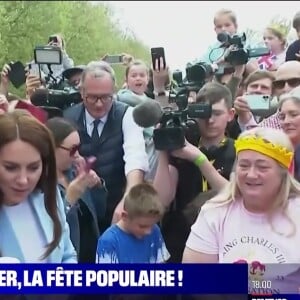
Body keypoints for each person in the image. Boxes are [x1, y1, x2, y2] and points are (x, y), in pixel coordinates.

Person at [183, 127, 300, 293]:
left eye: (262, 167)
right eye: (244, 165)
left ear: (283, 172)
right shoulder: (214, 213)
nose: (251, 175)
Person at [64, 61, 148, 231]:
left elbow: (135, 158)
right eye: (92, 97)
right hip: (81, 213)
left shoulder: (127, 115)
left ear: (114, 92)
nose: (99, 104)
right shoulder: (67, 117)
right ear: (82, 92)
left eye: (106, 97)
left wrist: (128, 199)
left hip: (118, 208)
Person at [0, 110, 77, 263]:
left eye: (33, 167)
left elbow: (67, 255)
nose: (23, 180)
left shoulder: (49, 194)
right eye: (11, 167)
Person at [46, 117, 107, 263]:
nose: (78, 156)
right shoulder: (39, 185)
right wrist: (68, 201)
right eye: (72, 150)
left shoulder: (75, 173)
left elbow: (100, 213)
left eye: (79, 148)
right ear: (51, 147)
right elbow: (49, 233)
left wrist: (97, 186)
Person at [96, 183, 169, 263]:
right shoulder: (109, 241)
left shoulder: (154, 230)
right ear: (125, 217)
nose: (148, 231)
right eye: (142, 226)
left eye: (152, 225)